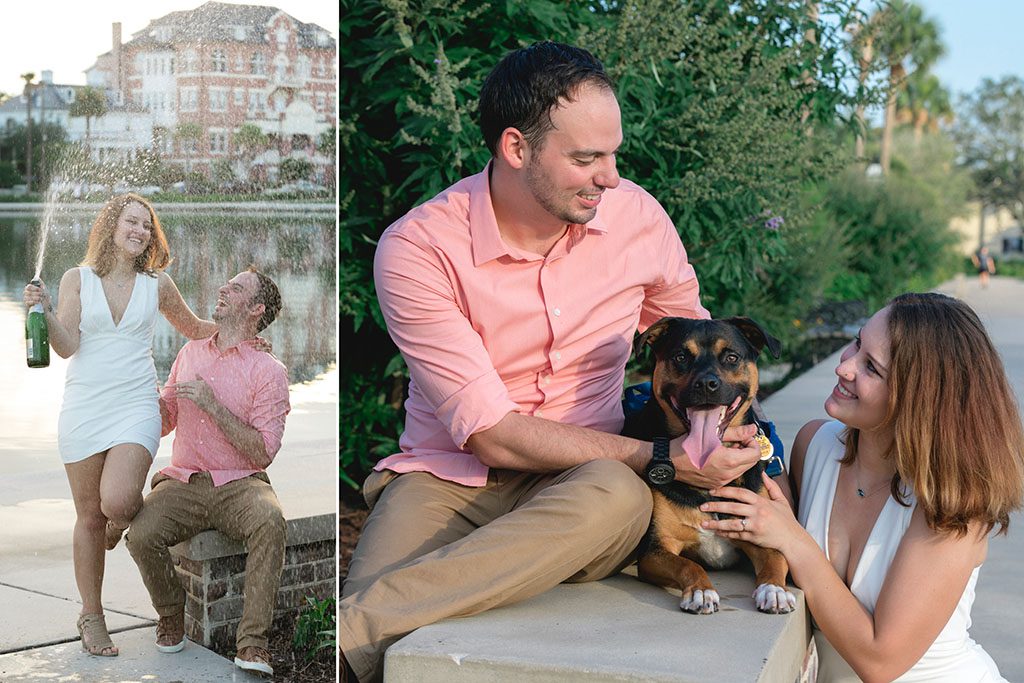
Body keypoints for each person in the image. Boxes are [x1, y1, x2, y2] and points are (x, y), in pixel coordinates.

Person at [340, 41, 767, 683]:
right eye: (587, 158)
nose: (612, 177)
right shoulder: (419, 248)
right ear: (517, 149)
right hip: (446, 481)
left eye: (614, 153)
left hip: (590, 479)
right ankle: (356, 634)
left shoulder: (637, 218)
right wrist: (657, 459)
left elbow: (690, 351)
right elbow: (490, 434)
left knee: (618, 496)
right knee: (365, 655)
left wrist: (742, 448)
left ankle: (348, 629)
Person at [702, 292, 1023, 682]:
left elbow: (879, 661)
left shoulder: (953, 506)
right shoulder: (815, 445)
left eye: (871, 367)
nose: (845, 367)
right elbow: (766, 536)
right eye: (856, 343)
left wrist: (795, 540)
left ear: (918, 398)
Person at [22, 194, 217, 656]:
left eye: (147, 226)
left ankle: (117, 523)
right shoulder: (77, 279)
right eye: (132, 222)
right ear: (111, 226)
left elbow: (193, 328)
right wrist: (45, 311)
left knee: (121, 500)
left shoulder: (158, 284)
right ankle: (92, 617)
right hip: (85, 407)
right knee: (89, 516)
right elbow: (67, 346)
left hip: (136, 404)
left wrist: (240, 334)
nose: (140, 231)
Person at [124, 268, 289, 676]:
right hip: (184, 480)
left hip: (241, 483)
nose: (221, 289)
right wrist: (146, 396)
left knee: (270, 521)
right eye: (225, 284)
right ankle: (170, 616)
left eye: (235, 289)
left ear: (255, 309)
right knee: (141, 535)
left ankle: (252, 645)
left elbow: (264, 452)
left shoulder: (270, 371)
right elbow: (165, 421)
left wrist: (214, 406)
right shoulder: (190, 353)